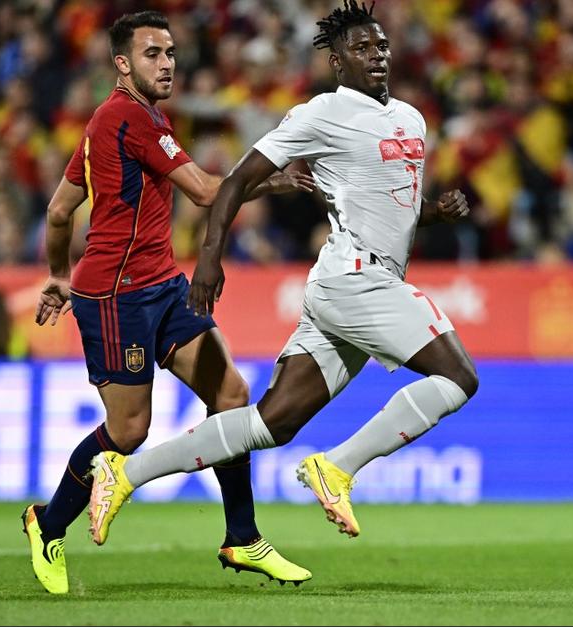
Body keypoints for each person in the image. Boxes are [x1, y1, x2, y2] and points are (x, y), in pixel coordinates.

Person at [88, 0, 479, 548]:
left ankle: (126, 474)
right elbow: (235, 183)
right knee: (459, 378)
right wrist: (209, 257)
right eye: (361, 48)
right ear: (338, 61)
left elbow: (393, 206)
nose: (377, 56)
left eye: (382, 46)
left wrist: (435, 211)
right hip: (355, 279)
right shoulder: (321, 113)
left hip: (351, 286)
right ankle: (338, 468)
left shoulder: (410, 119)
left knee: (270, 423)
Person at [23, 11, 314, 594]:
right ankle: (47, 523)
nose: (168, 63)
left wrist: (57, 273)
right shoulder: (125, 117)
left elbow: (59, 212)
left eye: (172, 52)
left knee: (230, 395)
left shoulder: (124, 121)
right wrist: (274, 179)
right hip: (114, 296)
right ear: (123, 63)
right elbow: (207, 192)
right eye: (153, 53)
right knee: (128, 431)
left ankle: (242, 537)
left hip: (163, 286)